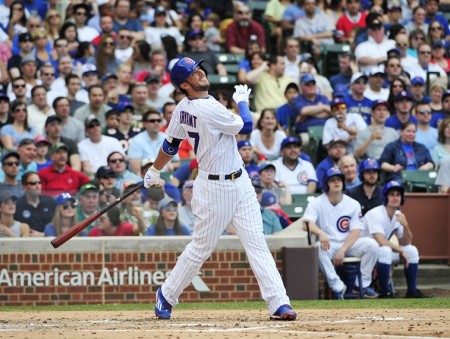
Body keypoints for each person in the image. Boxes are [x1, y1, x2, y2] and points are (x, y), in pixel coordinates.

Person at [143, 57, 297, 320]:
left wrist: (155, 169)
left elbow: (170, 145)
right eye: (194, 72)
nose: (201, 73)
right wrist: (243, 102)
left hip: (241, 183)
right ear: (184, 85)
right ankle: (167, 294)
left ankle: (278, 302)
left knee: (256, 242)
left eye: (199, 68)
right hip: (213, 188)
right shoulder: (204, 109)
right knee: (201, 248)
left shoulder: (185, 106)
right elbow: (246, 125)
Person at [301, 167, 379, 299]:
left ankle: (362, 284)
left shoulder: (353, 203)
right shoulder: (316, 202)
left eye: (339, 179)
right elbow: (306, 223)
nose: (336, 182)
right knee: (318, 248)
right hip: (329, 244)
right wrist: (320, 233)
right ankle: (337, 286)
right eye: (332, 180)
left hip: (348, 243)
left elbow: (356, 230)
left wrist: (343, 249)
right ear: (326, 184)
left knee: (372, 245)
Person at [363, 181, 432, 298]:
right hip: (366, 254)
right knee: (385, 249)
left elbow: (406, 242)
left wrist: (405, 225)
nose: (395, 198)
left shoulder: (398, 214)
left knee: (412, 250)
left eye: (398, 195)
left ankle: (412, 291)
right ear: (385, 197)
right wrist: (400, 251)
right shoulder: (375, 213)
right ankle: (386, 293)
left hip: (381, 254)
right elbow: (381, 241)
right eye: (392, 194)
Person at [14, 171, 56, 237]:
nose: (38, 186)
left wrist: (43, 235)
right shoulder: (17, 205)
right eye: (33, 183)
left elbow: (58, 225)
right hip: (26, 242)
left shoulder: (50, 202)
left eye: (39, 182)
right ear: (24, 187)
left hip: (49, 241)